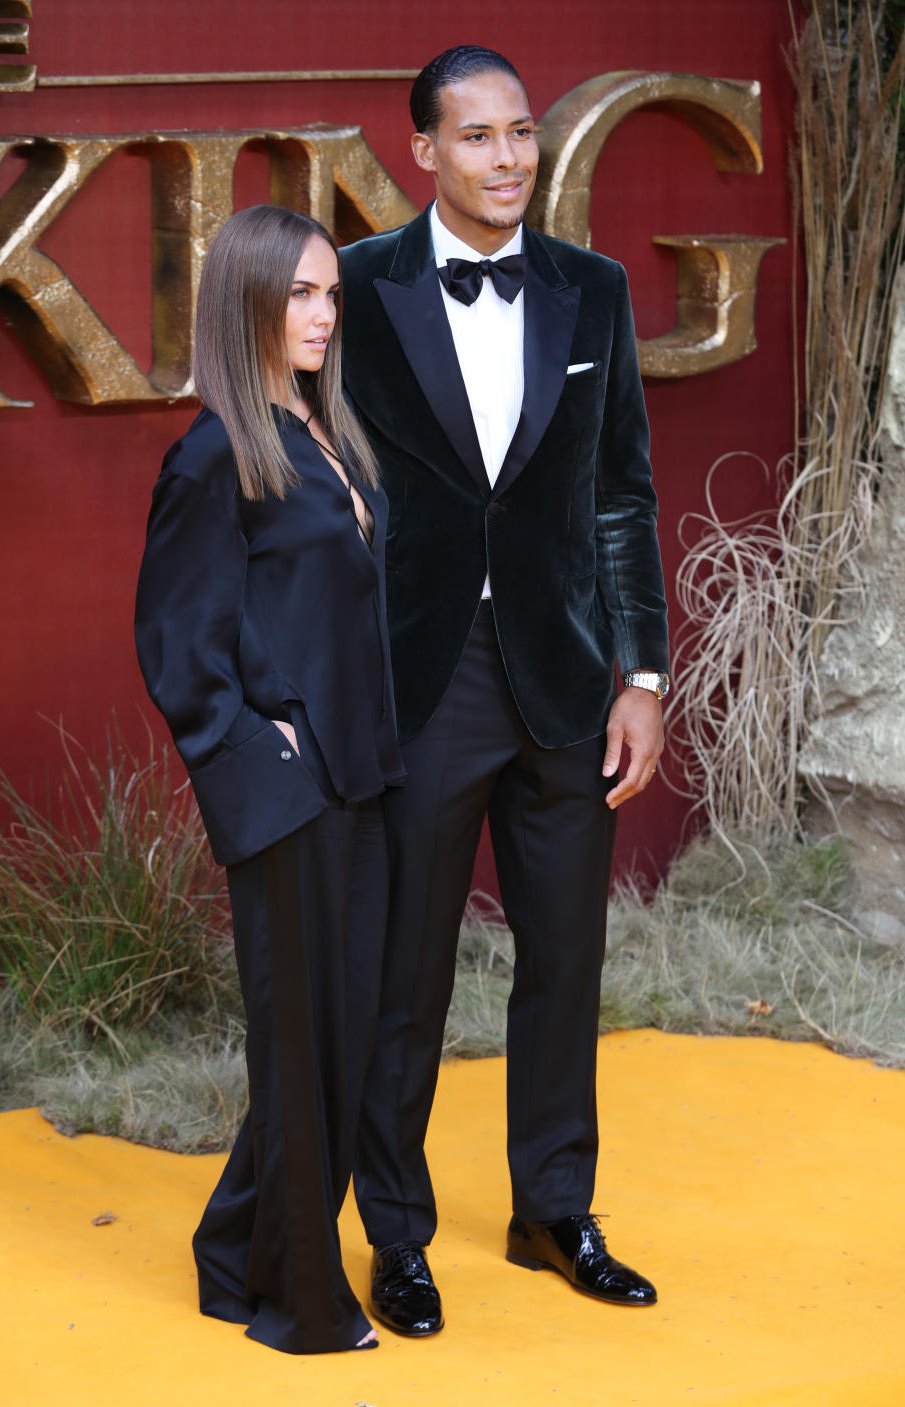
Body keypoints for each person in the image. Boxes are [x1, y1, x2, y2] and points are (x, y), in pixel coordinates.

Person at [340, 46, 670, 1337]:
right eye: (476, 137)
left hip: (566, 679)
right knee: (405, 976)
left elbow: (622, 494)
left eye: (521, 133)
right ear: (423, 151)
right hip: (417, 681)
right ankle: (398, 1234)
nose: (507, 158)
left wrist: (639, 673)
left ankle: (554, 1210)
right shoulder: (357, 288)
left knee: (566, 962)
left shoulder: (593, 290)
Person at [134, 205, 404, 1354]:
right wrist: (261, 748)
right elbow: (174, 642)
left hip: (363, 779)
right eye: (299, 293)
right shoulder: (209, 453)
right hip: (290, 790)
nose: (322, 314)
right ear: (243, 299)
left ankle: (231, 1249)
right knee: (299, 1049)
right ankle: (299, 1297)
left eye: (331, 295)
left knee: (343, 1045)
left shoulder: (327, 431)